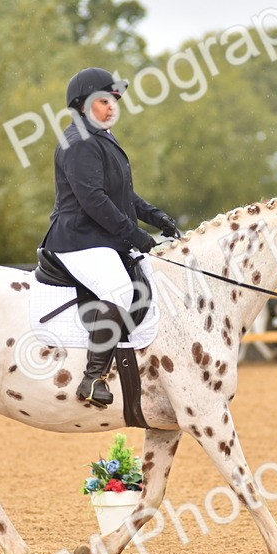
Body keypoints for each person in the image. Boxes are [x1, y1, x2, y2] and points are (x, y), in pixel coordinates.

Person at [41, 67, 181, 408]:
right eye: (104, 101)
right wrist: (138, 236)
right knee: (121, 291)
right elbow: (94, 200)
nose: (112, 107)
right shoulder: (78, 142)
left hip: (99, 238)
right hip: (78, 239)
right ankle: (92, 378)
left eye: (114, 100)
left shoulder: (102, 137)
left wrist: (154, 216)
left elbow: (122, 194)